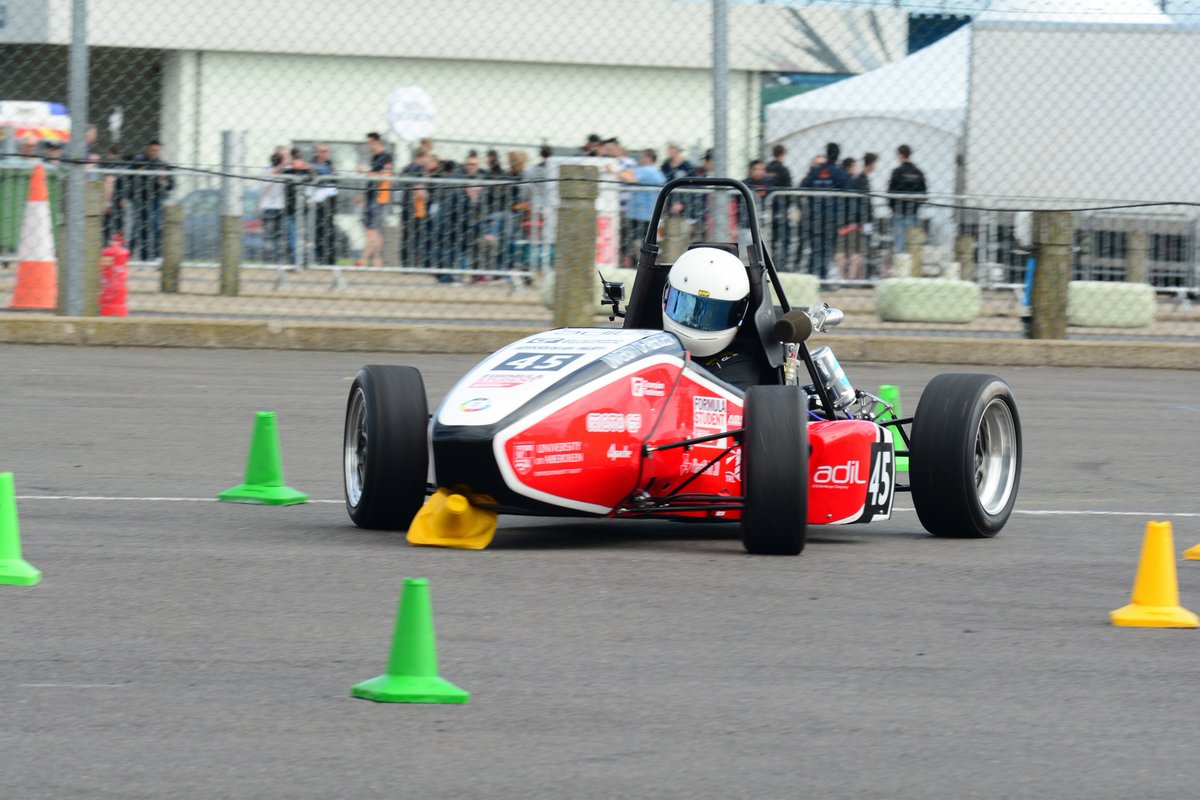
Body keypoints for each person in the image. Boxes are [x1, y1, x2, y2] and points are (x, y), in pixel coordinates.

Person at [662, 246, 756, 389]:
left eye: (714, 313)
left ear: (739, 311)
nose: (694, 321)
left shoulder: (739, 369)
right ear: (667, 295)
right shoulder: (651, 347)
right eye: (686, 307)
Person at [799, 142, 851, 281]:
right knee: (827, 249)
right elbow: (849, 193)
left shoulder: (816, 171)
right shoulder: (839, 173)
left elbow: (802, 187)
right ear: (838, 155)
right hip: (831, 218)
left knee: (814, 249)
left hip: (814, 216)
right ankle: (822, 279)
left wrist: (804, 208)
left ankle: (810, 280)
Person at [125, 140, 174, 262]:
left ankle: (156, 255)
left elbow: (171, 185)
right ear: (147, 149)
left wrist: (163, 181)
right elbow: (128, 177)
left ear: (160, 150)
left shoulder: (163, 165)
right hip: (139, 199)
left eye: (156, 150)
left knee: (156, 226)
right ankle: (143, 257)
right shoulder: (138, 161)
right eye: (152, 150)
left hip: (156, 200)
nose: (154, 152)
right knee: (140, 228)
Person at [358, 132, 393, 267]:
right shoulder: (375, 157)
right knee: (373, 230)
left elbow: (384, 176)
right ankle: (376, 259)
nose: (367, 145)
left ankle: (365, 258)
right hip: (371, 195)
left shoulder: (386, 157)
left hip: (379, 197)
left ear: (376, 142)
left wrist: (365, 172)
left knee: (371, 230)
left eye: (369, 142)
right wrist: (362, 195)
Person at [887, 144, 927, 255]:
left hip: (899, 212)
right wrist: (915, 206)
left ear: (900, 155)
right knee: (913, 246)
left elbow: (890, 193)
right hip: (913, 213)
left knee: (900, 246)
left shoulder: (897, 172)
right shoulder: (918, 172)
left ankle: (902, 270)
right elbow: (924, 194)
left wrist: (892, 207)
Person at [626, 148, 665, 249]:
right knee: (648, 239)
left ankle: (638, 260)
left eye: (643, 156)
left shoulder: (645, 170)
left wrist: (614, 170)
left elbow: (631, 179)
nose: (640, 158)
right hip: (651, 212)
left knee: (635, 239)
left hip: (639, 212)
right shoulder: (657, 172)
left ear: (648, 157)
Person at [765, 144, 794, 271]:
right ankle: (782, 266)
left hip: (769, 207)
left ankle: (771, 262)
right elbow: (789, 190)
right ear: (783, 154)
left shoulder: (767, 169)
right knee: (785, 239)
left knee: (772, 239)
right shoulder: (783, 170)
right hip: (781, 209)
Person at [308, 143, 338, 265]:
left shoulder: (330, 165)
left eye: (327, 151)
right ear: (317, 153)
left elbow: (334, 181)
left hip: (329, 202)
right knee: (318, 231)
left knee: (329, 231)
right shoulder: (311, 164)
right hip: (316, 202)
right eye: (323, 151)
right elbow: (313, 179)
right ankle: (320, 258)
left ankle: (330, 259)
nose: (326, 154)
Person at [259, 151, 288, 263]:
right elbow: (264, 186)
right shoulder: (267, 170)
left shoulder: (286, 171)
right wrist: (275, 172)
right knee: (268, 235)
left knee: (280, 236)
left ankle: (279, 260)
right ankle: (268, 260)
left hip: (281, 206)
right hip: (268, 206)